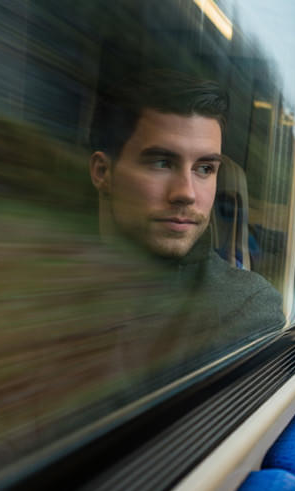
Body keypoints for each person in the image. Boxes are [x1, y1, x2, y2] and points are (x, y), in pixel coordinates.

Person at [88, 70, 284, 367]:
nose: (186, 193)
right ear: (103, 172)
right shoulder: (48, 286)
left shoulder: (243, 307)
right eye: (162, 163)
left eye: (204, 169)